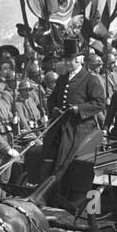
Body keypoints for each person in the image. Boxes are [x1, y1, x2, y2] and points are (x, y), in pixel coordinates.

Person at [40, 38, 107, 195]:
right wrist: (54, 109)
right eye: (66, 60)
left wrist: (79, 109)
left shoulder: (90, 79)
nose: (68, 63)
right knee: (46, 147)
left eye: (71, 60)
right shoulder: (63, 78)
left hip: (80, 126)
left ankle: (60, 190)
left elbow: (100, 103)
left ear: (79, 60)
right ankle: (43, 187)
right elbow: (52, 99)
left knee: (65, 153)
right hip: (61, 123)